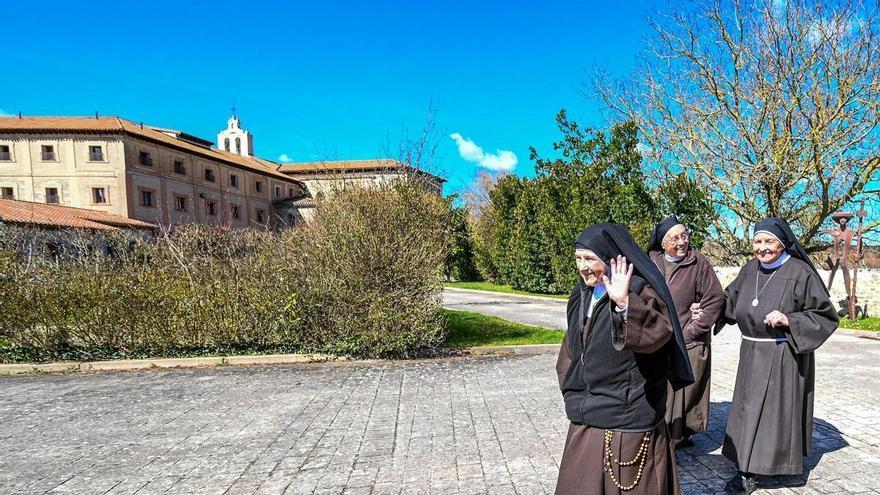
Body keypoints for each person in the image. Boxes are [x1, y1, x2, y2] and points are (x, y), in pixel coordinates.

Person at [555, 223, 694, 495]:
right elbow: (572, 349)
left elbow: (658, 334)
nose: (583, 267)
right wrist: (571, 388)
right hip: (587, 411)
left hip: (626, 414)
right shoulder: (580, 294)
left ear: (611, 259)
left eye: (590, 259)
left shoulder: (641, 291)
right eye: (578, 259)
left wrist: (624, 305)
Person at [715, 218, 838, 494]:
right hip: (751, 351)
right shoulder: (749, 270)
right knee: (749, 411)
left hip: (783, 355)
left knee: (774, 414)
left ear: (782, 244)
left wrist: (789, 319)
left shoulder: (800, 272)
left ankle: (761, 467)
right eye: (757, 241)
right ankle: (746, 465)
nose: (762, 248)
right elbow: (728, 301)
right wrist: (706, 308)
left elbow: (824, 315)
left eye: (768, 241)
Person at [647, 216, 724, 449]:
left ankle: (678, 436)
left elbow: (714, 299)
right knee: (662, 388)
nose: (682, 242)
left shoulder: (698, 262)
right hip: (657, 338)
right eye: (675, 238)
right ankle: (663, 433)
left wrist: (693, 330)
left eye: (684, 236)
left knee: (686, 390)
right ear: (662, 243)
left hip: (688, 338)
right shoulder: (651, 261)